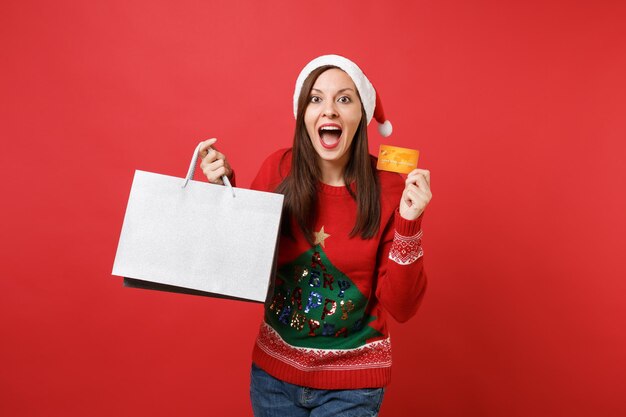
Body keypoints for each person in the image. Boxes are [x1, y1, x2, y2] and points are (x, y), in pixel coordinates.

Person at [199, 55, 432, 417]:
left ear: (362, 114)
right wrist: (221, 189)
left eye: (344, 99)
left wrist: (409, 222)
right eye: (316, 99)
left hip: (353, 385)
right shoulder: (277, 168)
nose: (330, 111)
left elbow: (401, 308)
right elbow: (241, 262)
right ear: (303, 113)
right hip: (274, 378)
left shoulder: (389, 186)